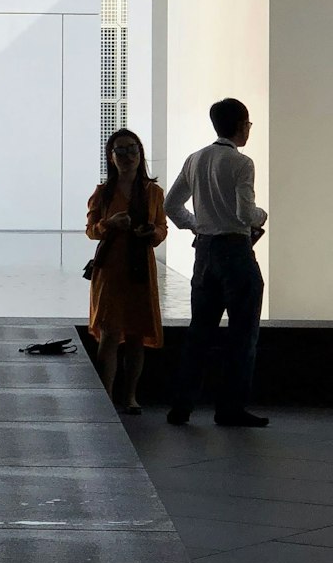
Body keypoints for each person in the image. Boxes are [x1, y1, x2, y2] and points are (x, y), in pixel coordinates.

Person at [163, 97, 268, 428]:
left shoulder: (195, 159)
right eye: (248, 124)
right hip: (236, 251)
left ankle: (182, 405)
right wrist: (262, 215)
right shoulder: (242, 163)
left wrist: (197, 225)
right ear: (240, 125)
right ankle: (230, 408)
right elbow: (244, 213)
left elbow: (171, 205)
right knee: (242, 332)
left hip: (204, 253)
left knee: (200, 332)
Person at [86, 129, 167, 413]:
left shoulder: (153, 192)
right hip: (110, 271)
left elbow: (162, 228)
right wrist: (109, 224)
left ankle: (130, 396)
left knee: (135, 334)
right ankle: (106, 396)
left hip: (139, 269)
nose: (127, 156)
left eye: (132, 150)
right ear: (111, 157)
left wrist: (151, 232)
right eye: (120, 151)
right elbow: (91, 230)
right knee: (109, 333)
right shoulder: (103, 193)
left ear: (140, 153)